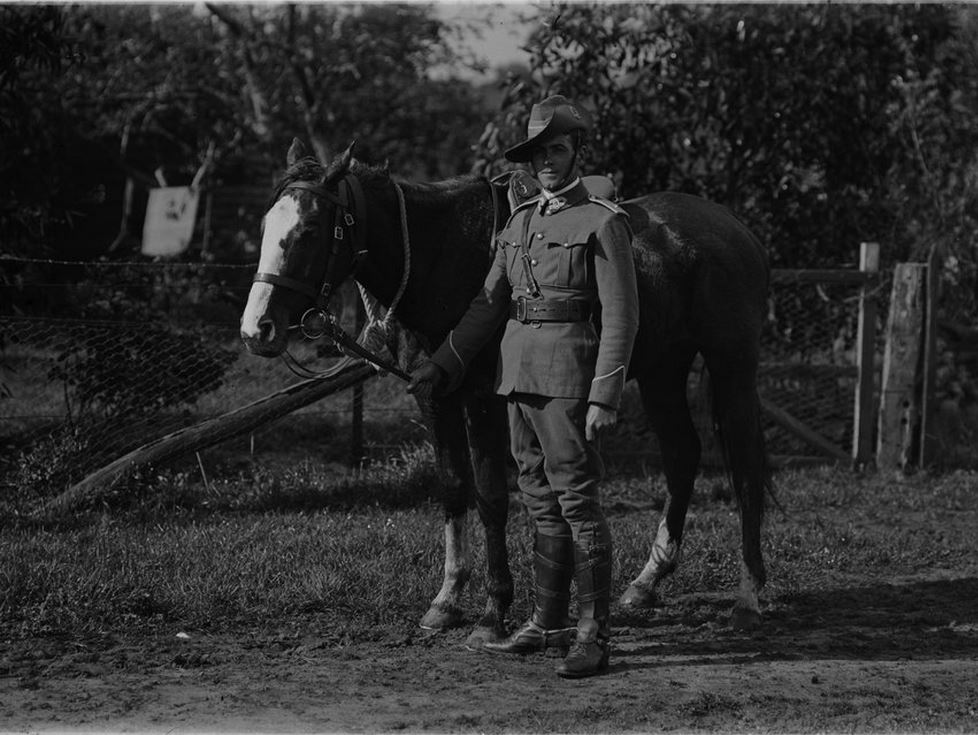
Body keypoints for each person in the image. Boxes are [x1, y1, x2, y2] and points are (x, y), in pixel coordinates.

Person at [407, 94, 639, 679]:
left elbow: (621, 316)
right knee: (537, 497)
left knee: (576, 500)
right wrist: (443, 362)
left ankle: (594, 635)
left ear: (576, 152)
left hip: (568, 378)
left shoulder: (602, 222)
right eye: (537, 154)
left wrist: (605, 395)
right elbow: (488, 304)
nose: (547, 162)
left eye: (557, 150)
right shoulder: (520, 221)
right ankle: (546, 622)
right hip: (516, 375)